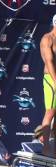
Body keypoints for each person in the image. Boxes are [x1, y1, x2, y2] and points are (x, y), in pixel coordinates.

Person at [40, 14, 56, 157]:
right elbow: (49, 62)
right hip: (51, 79)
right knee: (50, 112)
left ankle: (54, 146)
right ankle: (45, 147)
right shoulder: (47, 38)